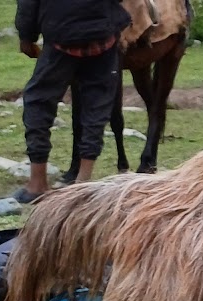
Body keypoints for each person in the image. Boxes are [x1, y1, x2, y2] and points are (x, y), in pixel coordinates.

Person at [13, 0, 131, 203]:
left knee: (38, 102)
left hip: (62, 35)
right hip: (102, 36)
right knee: (97, 106)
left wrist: (27, 37)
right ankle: (82, 182)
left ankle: (37, 184)